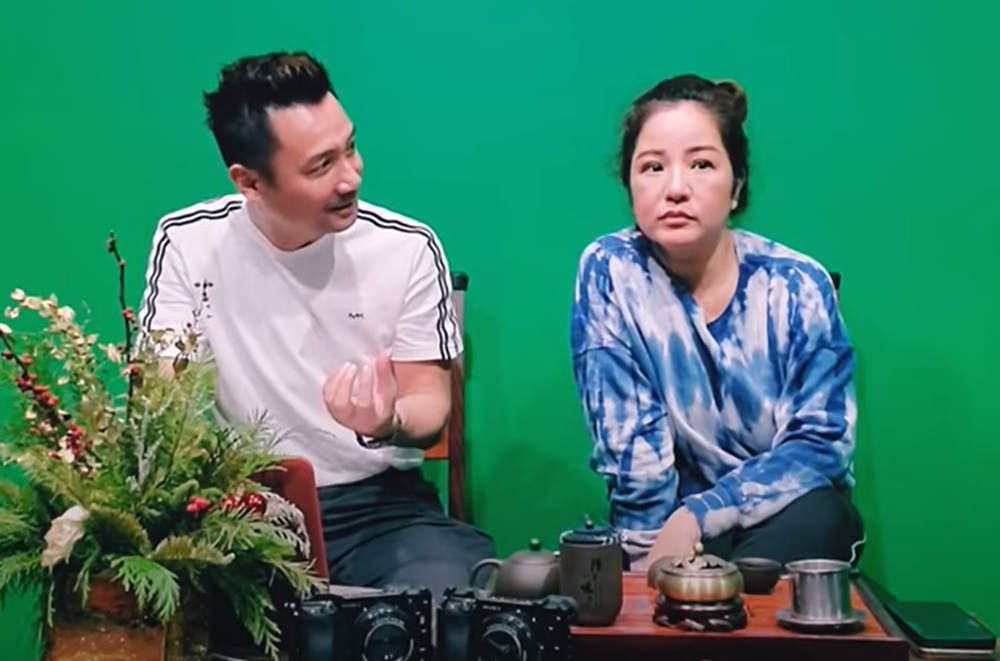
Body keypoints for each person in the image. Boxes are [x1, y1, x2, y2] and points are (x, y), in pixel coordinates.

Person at [137, 51, 494, 598]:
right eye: (321, 166)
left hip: (377, 510)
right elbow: (162, 398)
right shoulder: (188, 242)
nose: (351, 176)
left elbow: (429, 405)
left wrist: (387, 419)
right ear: (249, 182)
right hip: (240, 510)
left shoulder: (406, 248)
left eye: (350, 147)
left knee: (452, 597)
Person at [569, 74, 865, 571]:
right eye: (652, 167)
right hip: (670, 530)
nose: (675, 189)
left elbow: (820, 445)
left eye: (702, 164)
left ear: (736, 185)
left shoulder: (797, 285)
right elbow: (632, 447)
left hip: (784, 517)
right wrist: (648, 569)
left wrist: (700, 515)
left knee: (814, 522)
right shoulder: (610, 271)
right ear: (629, 184)